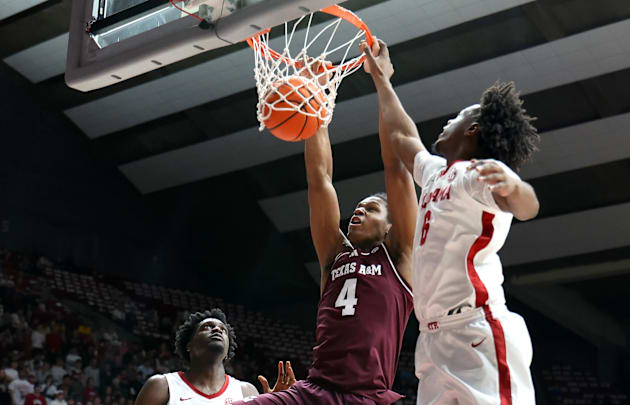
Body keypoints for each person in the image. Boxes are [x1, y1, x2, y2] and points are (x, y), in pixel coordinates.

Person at [362, 38, 540, 404]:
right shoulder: (436, 172)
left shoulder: (479, 176)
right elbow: (401, 135)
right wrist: (383, 80)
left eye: (458, 116)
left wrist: (515, 185)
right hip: (433, 340)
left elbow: (527, 207)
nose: (448, 120)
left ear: (473, 129)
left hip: (478, 330)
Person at [240, 60, 417, 405]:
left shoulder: (398, 257)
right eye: (359, 207)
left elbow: (395, 166)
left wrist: (381, 81)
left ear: (393, 225)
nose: (359, 210)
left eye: (372, 208)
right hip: (312, 391)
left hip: (367, 396)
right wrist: (315, 99)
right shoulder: (335, 255)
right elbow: (319, 178)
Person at [134, 309, 292, 405]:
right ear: (189, 344)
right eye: (207, 327)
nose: (217, 329)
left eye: (223, 330)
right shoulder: (162, 386)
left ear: (228, 349)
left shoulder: (246, 391)